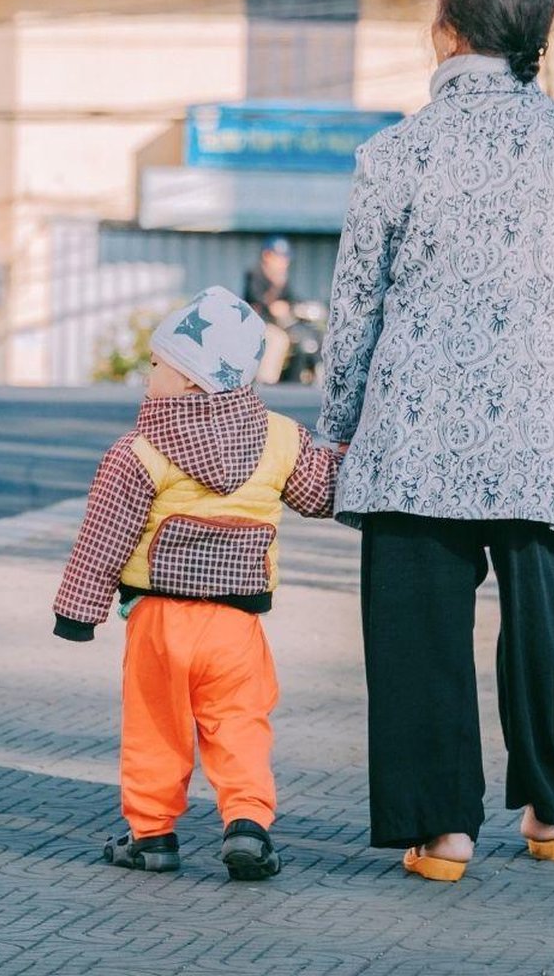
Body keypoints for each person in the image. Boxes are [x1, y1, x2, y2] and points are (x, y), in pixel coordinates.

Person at [318, 0, 554, 883]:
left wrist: (337, 434)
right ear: (534, 37)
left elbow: (355, 312)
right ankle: (548, 809)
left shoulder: (393, 153)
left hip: (410, 435)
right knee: (543, 624)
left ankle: (442, 834)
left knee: (418, 632)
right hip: (538, 431)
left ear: (449, 33)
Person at [52, 285, 340, 880]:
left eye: (157, 365)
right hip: (237, 625)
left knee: (155, 725)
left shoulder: (139, 451)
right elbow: (319, 495)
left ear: (190, 379)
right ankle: (248, 825)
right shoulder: (281, 439)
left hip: (159, 622)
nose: (147, 375)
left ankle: (152, 834)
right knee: (240, 722)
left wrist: (78, 612)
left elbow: (102, 537)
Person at [244, 236, 296, 383]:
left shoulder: (281, 278)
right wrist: (273, 304)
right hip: (257, 322)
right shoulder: (255, 274)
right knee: (277, 339)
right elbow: (255, 297)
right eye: (279, 257)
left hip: (278, 323)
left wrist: (288, 307)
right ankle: (266, 383)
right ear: (267, 255)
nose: (284, 262)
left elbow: (292, 299)